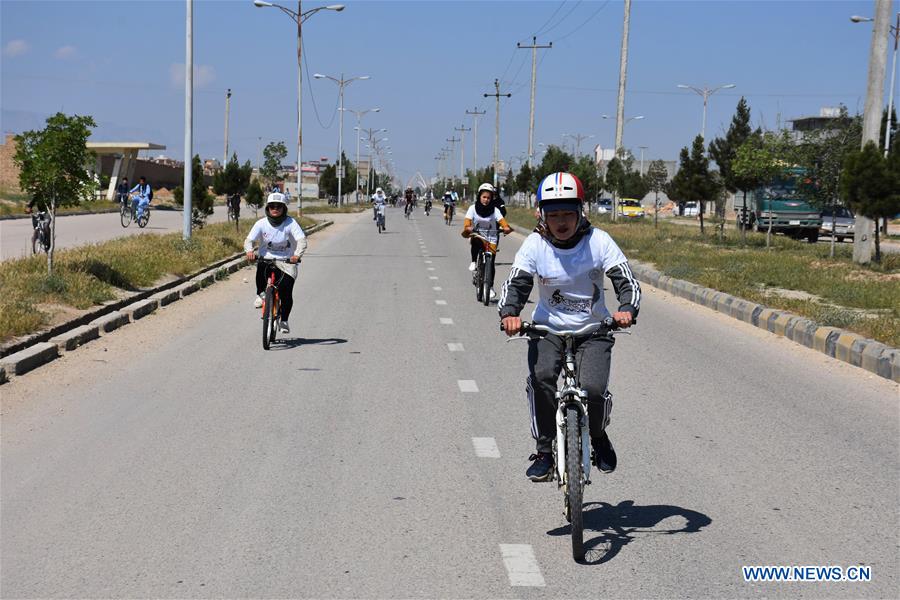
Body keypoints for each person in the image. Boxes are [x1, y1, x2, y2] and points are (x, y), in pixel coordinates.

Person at [498, 172, 640, 482]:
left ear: (580, 212)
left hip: (594, 330)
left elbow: (625, 280)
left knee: (592, 389)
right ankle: (545, 452)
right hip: (547, 330)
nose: (561, 221)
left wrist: (627, 308)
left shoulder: (598, 241)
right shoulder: (535, 244)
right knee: (542, 377)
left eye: (567, 214)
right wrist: (510, 313)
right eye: (554, 214)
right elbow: (517, 284)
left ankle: (599, 436)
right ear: (542, 215)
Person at [244, 192, 307, 334]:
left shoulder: (290, 223)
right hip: (267, 258)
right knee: (261, 268)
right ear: (267, 208)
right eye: (272, 206)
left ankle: (284, 320)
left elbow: (301, 240)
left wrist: (296, 255)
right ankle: (261, 294)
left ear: (284, 208)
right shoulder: (261, 223)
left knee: (286, 292)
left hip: (286, 261)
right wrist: (249, 251)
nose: (275, 208)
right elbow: (249, 240)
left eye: (279, 206)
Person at [462, 183, 513, 294]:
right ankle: (474, 261)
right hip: (478, 235)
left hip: (492, 237)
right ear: (479, 196)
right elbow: (467, 221)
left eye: (488, 198)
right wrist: (468, 227)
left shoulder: (495, 210)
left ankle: (489, 287)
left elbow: (502, 221)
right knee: (475, 241)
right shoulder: (472, 208)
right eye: (484, 197)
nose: (486, 200)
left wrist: (506, 227)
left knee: (491, 263)